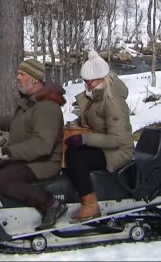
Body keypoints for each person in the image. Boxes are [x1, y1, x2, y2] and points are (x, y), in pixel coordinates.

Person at [0, 59, 68, 231]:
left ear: (34, 79)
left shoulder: (47, 107)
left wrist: (10, 151)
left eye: (22, 74)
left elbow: (42, 145)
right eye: (18, 73)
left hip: (43, 162)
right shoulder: (32, 102)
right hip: (30, 156)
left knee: (3, 180)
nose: (17, 78)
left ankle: (51, 204)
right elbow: (18, 122)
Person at [64, 50, 134, 223]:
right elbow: (90, 120)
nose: (87, 85)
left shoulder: (113, 102)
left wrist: (85, 139)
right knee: (67, 149)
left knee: (76, 156)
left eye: (91, 82)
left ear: (103, 78)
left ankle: (91, 205)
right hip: (104, 146)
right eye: (85, 82)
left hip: (119, 151)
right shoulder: (95, 97)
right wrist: (73, 127)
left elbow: (116, 139)